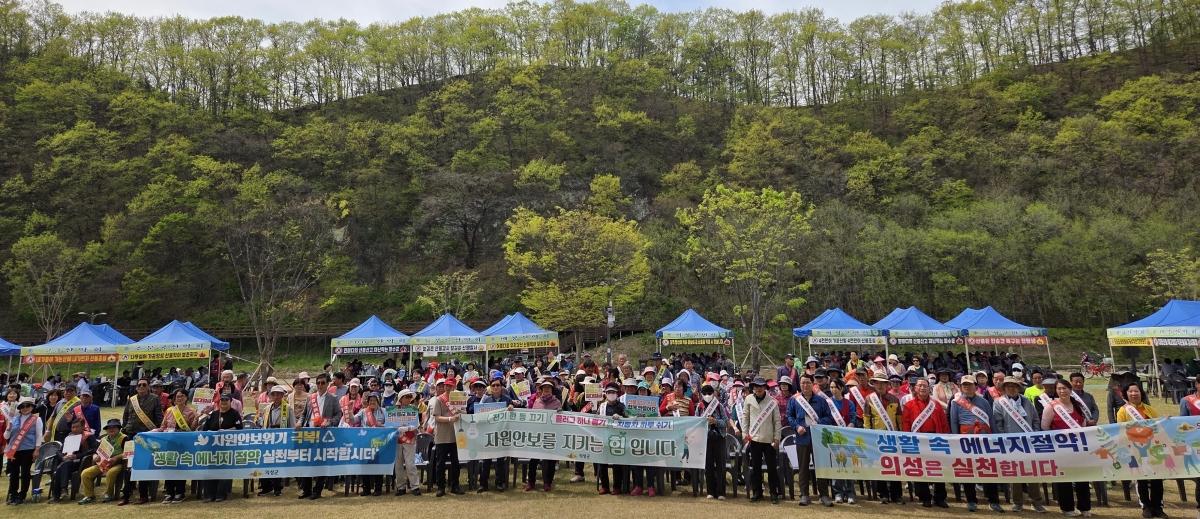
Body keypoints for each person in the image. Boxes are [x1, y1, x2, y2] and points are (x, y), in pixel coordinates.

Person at [991, 375, 1046, 513]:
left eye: (1014, 386)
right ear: (1004, 388)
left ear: (1018, 388)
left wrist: (1035, 434)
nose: (1011, 388)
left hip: (1029, 443)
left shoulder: (1026, 401)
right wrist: (1005, 440)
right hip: (1011, 444)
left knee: (1032, 473)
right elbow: (998, 424)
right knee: (1015, 474)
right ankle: (1017, 502)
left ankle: (1036, 502)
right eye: (1008, 386)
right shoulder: (999, 402)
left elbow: (1035, 419)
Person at [949, 375, 1001, 513]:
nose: (967, 387)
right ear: (961, 387)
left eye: (969, 384)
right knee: (968, 470)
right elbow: (954, 422)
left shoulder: (983, 401)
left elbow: (991, 420)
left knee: (988, 468)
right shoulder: (956, 403)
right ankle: (971, 500)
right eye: (964, 385)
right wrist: (956, 440)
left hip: (984, 438)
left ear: (975, 386)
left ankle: (993, 500)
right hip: (966, 439)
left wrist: (995, 437)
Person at [1042, 379, 1091, 517]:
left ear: (1070, 389)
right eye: (1059, 389)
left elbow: (1083, 425)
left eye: (1064, 388)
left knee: (1082, 478)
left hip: (1078, 448)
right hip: (1061, 449)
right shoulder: (1051, 407)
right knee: (1064, 480)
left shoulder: (1077, 405)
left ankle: (1085, 507)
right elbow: (1044, 427)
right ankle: (1067, 508)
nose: (1062, 391)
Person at [1116, 383, 1163, 518]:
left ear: (1141, 393)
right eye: (1130, 392)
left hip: (1152, 448)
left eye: (1136, 391)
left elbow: (1157, 427)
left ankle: (1158, 507)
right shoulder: (1123, 411)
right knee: (1141, 479)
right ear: (1126, 394)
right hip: (1135, 449)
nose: (1134, 394)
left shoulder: (1149, 409)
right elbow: (1121, 430)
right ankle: (1146, 506)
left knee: (1157, 478)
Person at [788, 373, 833, 506]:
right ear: (800, 384)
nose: (805, 385)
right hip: (802, 438)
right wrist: (797, 427)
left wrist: (817, 423)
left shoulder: (821, 401)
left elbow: (828, 417)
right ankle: (804, 495)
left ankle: (823, 495)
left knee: (821, 467)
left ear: (813, 384)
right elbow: (790, 416)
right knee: (803, 467)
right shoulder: (794, 400)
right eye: (803, 383)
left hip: (818, 439)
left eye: (808, 382)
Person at [902, 378, 948, 508]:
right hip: (918, 440)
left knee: (938, 468)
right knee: (920, 468)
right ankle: (925, 497)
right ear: (915, 388)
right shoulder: (909, 405)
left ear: (929, 389)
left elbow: (944, 423)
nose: (922, 388)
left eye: (925, 386)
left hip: (935, 439)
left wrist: (946, 438)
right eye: (920, 386)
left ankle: (940, 497)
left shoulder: (936, 405)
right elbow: (906, 425)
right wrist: (908, 440)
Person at [297, 373, 341, 499]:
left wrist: (329, 422)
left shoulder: (333, 398)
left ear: (327, 384)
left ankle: (317, 491)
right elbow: (304, 414)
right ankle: (306, 490)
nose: (320, 385)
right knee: (306, 461)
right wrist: (299, 422)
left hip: (323, 434)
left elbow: (338, 415)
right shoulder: (311, 398)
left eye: (322, 383)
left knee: (321, 461)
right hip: (309, 433)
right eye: (318, 383)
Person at [120, 378, 162, 505]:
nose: (142, 387)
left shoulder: (154, 399)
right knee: (128, 465)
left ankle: (143, 495)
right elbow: (125, 416)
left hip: (146, 436)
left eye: (144, 385)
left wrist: (157, 431)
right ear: (136, 387)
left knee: (142, 465)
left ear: (148, 387)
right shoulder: (131, 399)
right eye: (139, 385)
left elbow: (158, 417)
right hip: (131, 436)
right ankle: (126, 496)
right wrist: (125, 428)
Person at [740, 377, 781, 504]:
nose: (759, 388)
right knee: (755, 467)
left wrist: (777, 437)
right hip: (754, 439)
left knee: (772, 468)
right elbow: (745, 417)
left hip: (769, 439)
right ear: (753, 387)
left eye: (761, 386)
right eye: (756, 386)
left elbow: (777, 421)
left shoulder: (772, 401)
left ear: (765, 388)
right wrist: (744, 433)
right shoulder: (748, 399)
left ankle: (774, 493)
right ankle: (757, 492)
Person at [863, 374, 902, 504]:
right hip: (876, 438)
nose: (880, 385)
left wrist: (900, 435)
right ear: (874, 384)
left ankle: (896, 495)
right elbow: (867, 419)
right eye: (877, 383)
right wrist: (868, 436)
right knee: (880, 466)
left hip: (892, 436)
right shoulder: (869, 399)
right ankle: (883, 494)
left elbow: (899, 419)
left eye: (883, 383)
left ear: (887, 385)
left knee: (895, 465)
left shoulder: (894, 399)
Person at [156, 389, 199, 503]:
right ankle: (169, 492)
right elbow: (163, 426)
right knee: (169, 466)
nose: (179, 398)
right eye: (177, 396)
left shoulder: (191, 411)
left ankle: (180, 492)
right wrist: (154, 431)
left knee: (180, 468)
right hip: (169, 443)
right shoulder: (169, 410)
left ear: (186, 398)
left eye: (182, 396)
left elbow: (192, 429)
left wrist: (196, 418)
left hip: (183, 444)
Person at [201, 394, 243, 502]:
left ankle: (221, 494)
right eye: (222, 400)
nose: (224, 402)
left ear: (230, 401)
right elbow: (205, 430)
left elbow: (239, 429)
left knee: (224, 470)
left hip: (228, 447)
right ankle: (209, 494)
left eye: (226, 400)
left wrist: (226, 431)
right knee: (210, 469)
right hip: (213, 447)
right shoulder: (213, 414)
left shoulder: (235, 414)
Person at [429, 377, 464, 497]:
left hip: (456, 435)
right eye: (446, 385)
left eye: (450, 385)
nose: (448, 388)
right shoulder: (439, 399)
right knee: (440, 463)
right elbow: (436, 417)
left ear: (454, 386)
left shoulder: (460, 398)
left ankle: (455, 485)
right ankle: (441, 487)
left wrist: (460, 415)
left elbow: (463, 413)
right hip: (442, 435)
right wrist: (450, 418)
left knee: (455, 462)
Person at [78, 419, 127, 504]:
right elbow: (96, 452)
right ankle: (89, 496)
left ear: (119, 428)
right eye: (109, 428)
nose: (111, 429)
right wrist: (95, 457)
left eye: (114, 427)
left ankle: (109, 494)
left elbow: (128, 453)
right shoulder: (103, 439)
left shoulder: (124, 438)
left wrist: (116, 458)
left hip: (118, 464)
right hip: (103, 464)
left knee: (111, 472)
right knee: (85, 473)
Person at [526, 378, 561, 492]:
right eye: (544, 388)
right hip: (537, 434)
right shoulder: (537, 402)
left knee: (550, 460)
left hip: (550, 434)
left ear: (552, 390)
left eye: (549, 388)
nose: (546, 389)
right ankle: (531, 482)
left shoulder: (557, 402)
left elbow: (560, 419)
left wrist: (560, 413)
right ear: (541, 389)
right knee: (533, 460)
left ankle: (547, 483)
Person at [4, 397, 42, 504]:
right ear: (19, 408)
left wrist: (37, 449)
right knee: (14, 473)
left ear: (32, 407)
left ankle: (22, 495)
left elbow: (39, 435)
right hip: (14, 450)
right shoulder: (14, 419)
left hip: (28, 449)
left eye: (28, 406)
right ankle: (13, 494)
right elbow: (6, 436)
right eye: (23, 406)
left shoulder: (36, 419)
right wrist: (8, 428)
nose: (25, 408)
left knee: (25, 473)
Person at [257, 385, 293, 497]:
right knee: (265, 461)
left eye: (279, 394)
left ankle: (277, 488)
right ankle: (266, 487)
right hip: (268, 438)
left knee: (278, 463)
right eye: (274, 394)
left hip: (281, 438)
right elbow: (263, 423)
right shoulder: (267, 408)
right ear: (271, 396)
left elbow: (292, 426)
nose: (276, 396)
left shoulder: (288, 408)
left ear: (282, 395)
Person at [696, 382, 729, 500]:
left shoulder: (719, 406)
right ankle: (710, 491)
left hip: (719, 437)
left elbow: (726, 422)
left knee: (720, 465)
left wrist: (715, 421)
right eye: (705, 393)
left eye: (709, 393)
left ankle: (721, 492)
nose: (707, 395)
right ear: (701, 394)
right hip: (706, 438)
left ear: (713, 394)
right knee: (708, 464)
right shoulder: (699, 407)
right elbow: (696, 422)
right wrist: (704, 421)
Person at [592, 382, 627, 495]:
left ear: (617, 394)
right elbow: (596, 419)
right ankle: (605, 486)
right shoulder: (602, 406)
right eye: (609, 392)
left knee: (617, 464)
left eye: (613, 392)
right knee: (602, 462)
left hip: (618, 438)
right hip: (604, 437)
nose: (611, 394)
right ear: (605, 394)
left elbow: (628, 419)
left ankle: (617, 487)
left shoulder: (622, 406)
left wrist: (621, 418)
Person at [50, 418, 96, 502]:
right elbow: (59, 451)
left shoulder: (88, 436)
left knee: (63, 466)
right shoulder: (69, 437)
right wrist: (63, 457)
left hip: (82, 462)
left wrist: (76, 456)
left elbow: (93, 450)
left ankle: (60, 492)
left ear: (83, 427)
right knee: (60, 466)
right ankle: (61, 492)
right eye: (73, 427)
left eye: (77, 427)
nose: (74, 429)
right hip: (68, 461)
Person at [354, 392, 387, 496]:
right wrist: (349, 411)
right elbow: (352, 420)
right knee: (365, 465)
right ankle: (366, 489)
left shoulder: (384, 411)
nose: (372, 402)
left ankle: (378, 489)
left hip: (379, 442)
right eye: (370, 400)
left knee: (378, 465)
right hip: (365, 442)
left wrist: (380, 425)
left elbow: (390, 425)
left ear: (378, 401)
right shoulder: (363, 411)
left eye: (374, 400)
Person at [393, 389, 423, 496]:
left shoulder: (413, 409)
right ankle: (400, 487)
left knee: (410, 464)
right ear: (401, 398)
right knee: (398, 464)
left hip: (409, 439)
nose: (409, 399)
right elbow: (390, 424)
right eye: (406, 397)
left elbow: (416, 425)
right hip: (397, 439)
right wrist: (399, 428)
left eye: (410, 397)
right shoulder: (393, 410)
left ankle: (415, 486)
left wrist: (407, 428)